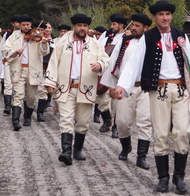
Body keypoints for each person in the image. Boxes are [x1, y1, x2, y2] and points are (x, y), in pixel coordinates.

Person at [113, 0, 190, 194]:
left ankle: (179, 177)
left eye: (168, 14)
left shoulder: (180, 35)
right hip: (159, 91)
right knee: (161, 134)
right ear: (155, 17)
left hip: (180, 90)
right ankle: (163, 178)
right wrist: (122, 85)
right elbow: (134, 63)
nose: (165, 17)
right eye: (161, 14)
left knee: (183, 132)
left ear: (171, 16)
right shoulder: (148, 37)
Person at [45, 14, 110, 165]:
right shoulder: (62, 42)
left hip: (85, 87)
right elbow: (54, 62)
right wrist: (50, 81)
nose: (82, 28)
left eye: (85, 26)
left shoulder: (95, 44)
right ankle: (66, 151)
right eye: (79, 25)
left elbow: (106, 59)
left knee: (83, 122)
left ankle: (78, 149)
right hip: (66, 87)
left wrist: (100, 64)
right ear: (74, 26)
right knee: (66, 119)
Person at [104, 13, 153, 169]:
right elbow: (113, 64)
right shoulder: (125, 42)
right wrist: (111, 86)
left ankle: (141, 156)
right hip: (125, 86)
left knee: (145, 121)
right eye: (133, 24)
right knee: (122, 122)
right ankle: (126, 147)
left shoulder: (152, 42)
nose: (133, 28)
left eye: (137, 26)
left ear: (146, 28)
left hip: (146, 88)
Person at [1, 15, 50, 130]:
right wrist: (14, 52)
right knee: (18, 95)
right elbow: (5, 50)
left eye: (28, 25)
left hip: (33, 70)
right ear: (20, 25)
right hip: (19, 69)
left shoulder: (36, 36)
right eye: (23, 25)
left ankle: (27, 117)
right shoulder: (14, 36)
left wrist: (43, 43)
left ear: (30, 25)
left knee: (31, 97)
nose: (26, 27)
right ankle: (15, 121)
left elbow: (43, 52)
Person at [96, 14, 127, 137]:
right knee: (101, 100)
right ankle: (107, 120)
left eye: (114, 24)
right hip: (104, 70)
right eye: (112, 24)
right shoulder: (106, 35)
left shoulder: (127, 37)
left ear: (121, 25)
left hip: (118, 71)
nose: (111, 26)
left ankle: (115, 126)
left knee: (116, 102)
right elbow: (98, 48)